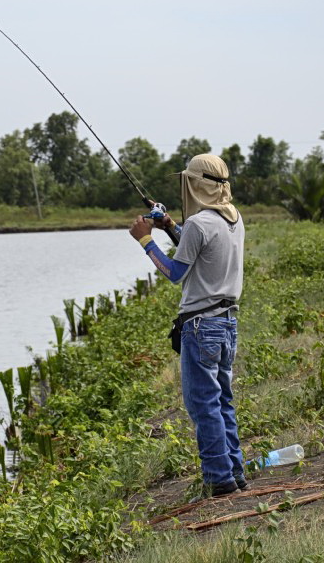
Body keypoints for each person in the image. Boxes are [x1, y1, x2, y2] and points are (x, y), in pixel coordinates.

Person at [128, 153, 246, 499]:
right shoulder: (233, 219)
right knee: (222, 401)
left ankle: (218, 480)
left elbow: (176, 273)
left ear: (194, 185)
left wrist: (145, 240)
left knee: (202, 405)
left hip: (201, 327)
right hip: (226, 324)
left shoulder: (199, 223)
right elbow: (200, 248)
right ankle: (234, 472)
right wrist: (167, 225)